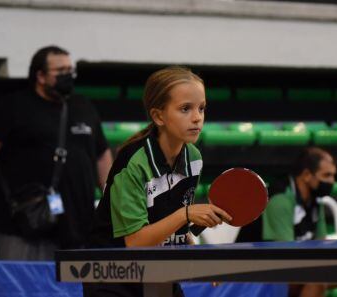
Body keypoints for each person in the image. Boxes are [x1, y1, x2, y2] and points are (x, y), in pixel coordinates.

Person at [84, 66, 232, 297]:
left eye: (201, 108)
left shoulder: (193, 158)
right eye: (185, 109)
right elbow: (135, 242)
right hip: (113, 274)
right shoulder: (133, 162)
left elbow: (177, 230)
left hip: (158, 270)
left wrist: (202, 260)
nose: (197, 117)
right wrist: (187, 213)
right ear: (158, 116)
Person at [0, 45, 113, 260]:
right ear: (40, 76)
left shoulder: (83, 106)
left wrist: (111, 198)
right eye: (60, 71)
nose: (68, 76)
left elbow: (102, 154)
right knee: (20, 288)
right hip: (23, 224)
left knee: (71, 292)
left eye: (70, 70)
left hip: (76, 224)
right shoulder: (14, 105)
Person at [262, 146, 337, 297]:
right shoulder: (280, 199)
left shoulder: (315, 200)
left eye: (333, 176)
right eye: (326, 175)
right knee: (317, 280)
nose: (332, 181)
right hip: (259, 271)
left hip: (295, 268)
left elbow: (322, 244)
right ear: (307, 175)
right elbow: (286, 255)